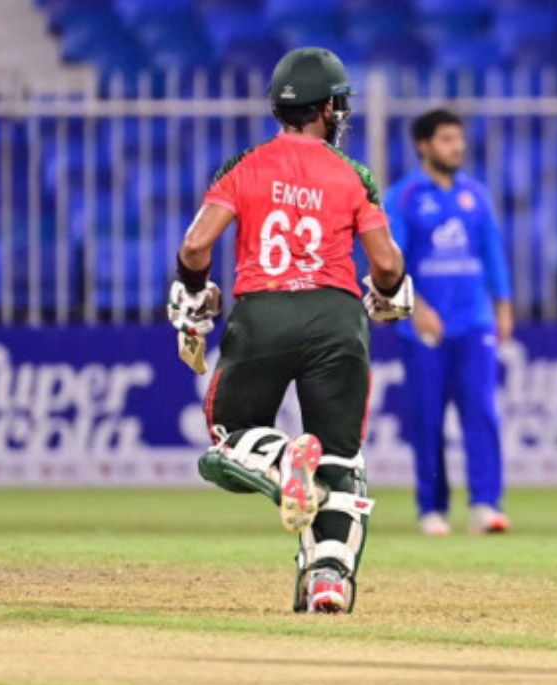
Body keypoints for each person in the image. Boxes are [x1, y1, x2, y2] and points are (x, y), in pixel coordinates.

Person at [166, 47, 414, 614]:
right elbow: (386, 264)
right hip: (336, 316)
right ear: (326, 108)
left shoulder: (245, 164)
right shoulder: (354, 174)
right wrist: (391, 290)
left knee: (229, 438)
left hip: (265, 313)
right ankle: (328, 579)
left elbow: (195, 246)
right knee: (341, 460)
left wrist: (194, 289)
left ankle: (282, 460)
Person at [384, 109, 513, 537]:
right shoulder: (403, 196)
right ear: (423, 145)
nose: (457, 147)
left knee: (482, 412)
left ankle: (486, 505)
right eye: (446, 139)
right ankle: (431, 508)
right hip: (424, 327)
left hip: (474, 321)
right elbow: (391, 261)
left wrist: (503, 305)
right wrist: (416, 307)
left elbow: (492, 252)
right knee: (427, 418)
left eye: (458, 138)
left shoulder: (475, 194)